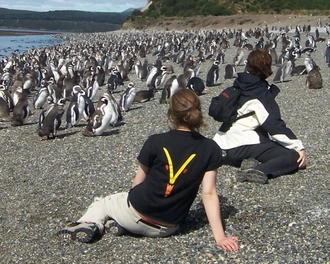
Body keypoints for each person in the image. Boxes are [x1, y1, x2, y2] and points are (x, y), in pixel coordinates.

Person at [57, 88, 239, 252]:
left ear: (171, 114)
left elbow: (138, 183)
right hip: (168, 227)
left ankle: (90, 225)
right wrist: (220, 237)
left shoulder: (155, 141)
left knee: (102, 203)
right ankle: (120, 225)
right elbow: (208, 193)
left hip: (137, 212)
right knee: (124, 206)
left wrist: (133, 199)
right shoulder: (210, 148)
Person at [213, 49, 307, 184]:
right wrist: (298, 147)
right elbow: (274, 126)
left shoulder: (239, 85)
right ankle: (260, 170)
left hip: (223, 144)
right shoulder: (260, 94)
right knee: (292, 157)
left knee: (264, 139)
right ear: (267, 68)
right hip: (242, 144)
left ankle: (249, 162)